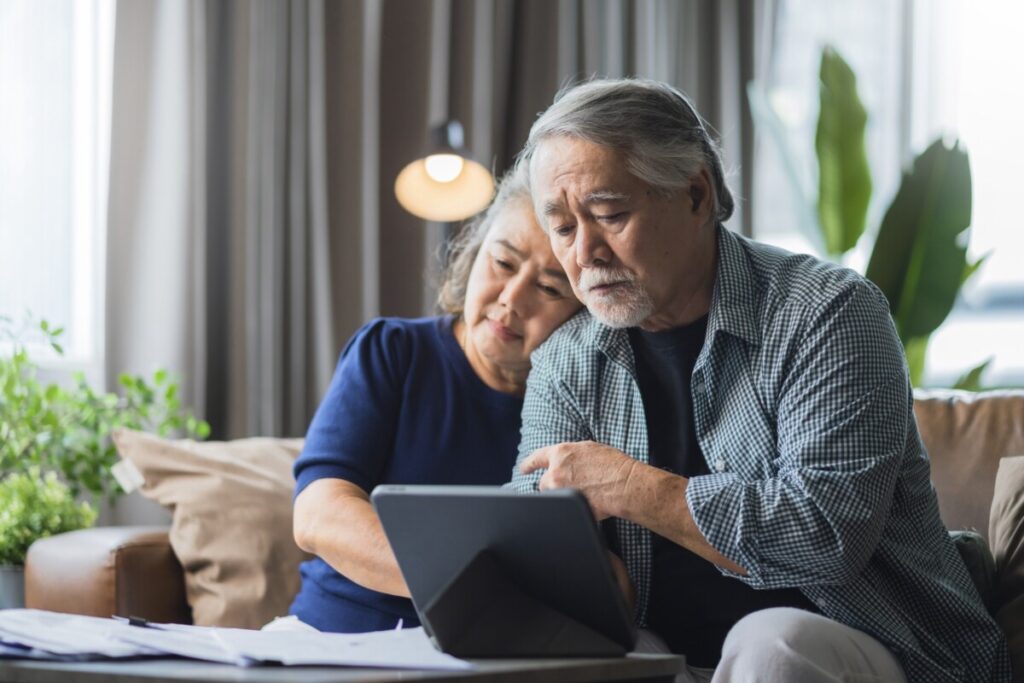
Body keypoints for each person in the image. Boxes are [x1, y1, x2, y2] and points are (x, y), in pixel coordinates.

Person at [507, 78, 1010, 682]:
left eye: (610, 215)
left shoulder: (828, 313)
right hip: (669, 655)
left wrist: (632, 488)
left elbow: (826, 536)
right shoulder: (565, 359)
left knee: (772, 643)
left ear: (696, 194)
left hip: (875, 648)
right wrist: (577, 570)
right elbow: (536, 527)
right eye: (563, 228)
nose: (585, 252)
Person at [289, 166, 582, 633]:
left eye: (549, 288)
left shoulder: (580, 408)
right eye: (503, 263)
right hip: (332, 633)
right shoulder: (393, 351)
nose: (511, 299)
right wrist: (477, 585)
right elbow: (317, 515)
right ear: (474, 253)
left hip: (491, 652)